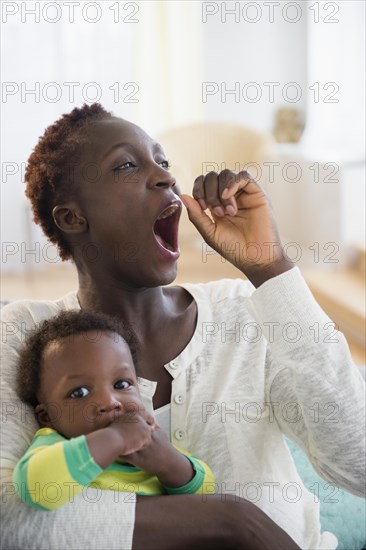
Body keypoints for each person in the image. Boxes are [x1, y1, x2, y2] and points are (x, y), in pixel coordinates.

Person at [0, 103, 364, 550]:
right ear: (73, 218)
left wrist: (271, 269)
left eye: (164, 162)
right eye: (127, 165)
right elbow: (9, 521)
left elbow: (360, 466)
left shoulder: (242, 312)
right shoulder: (28, 334)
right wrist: (232, 520)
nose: (165, 177)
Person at [13, 310, 216, 510]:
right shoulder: (55, 446)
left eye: (121, 385)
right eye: (80, 393)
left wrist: (168, 463)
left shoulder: (151, 444)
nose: (109, 402)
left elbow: (206, 495)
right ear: (47, 416)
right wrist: (114, 439)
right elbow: (36, 489)